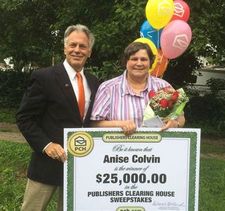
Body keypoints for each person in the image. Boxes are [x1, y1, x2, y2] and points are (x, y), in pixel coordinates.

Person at [16, 24, 100, 211]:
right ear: (65, 48)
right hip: (46, 163)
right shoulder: (44, 77)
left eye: (82, 46)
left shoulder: (94, 82)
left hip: (78, 165)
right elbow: (24, 118)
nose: (77, 50)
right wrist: (46, 145)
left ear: (89, 52)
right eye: (73, 45)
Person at [91, 41, 185, 135]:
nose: (139, 63)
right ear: (126, 62)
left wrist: (175, 123)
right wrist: (119, 124)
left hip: (156, 146)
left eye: (143, 59)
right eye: (134, 59)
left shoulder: (164, 87)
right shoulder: (108, 88)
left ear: (151, 62)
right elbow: (94, 124)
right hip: (120, 147)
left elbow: (181, 117)